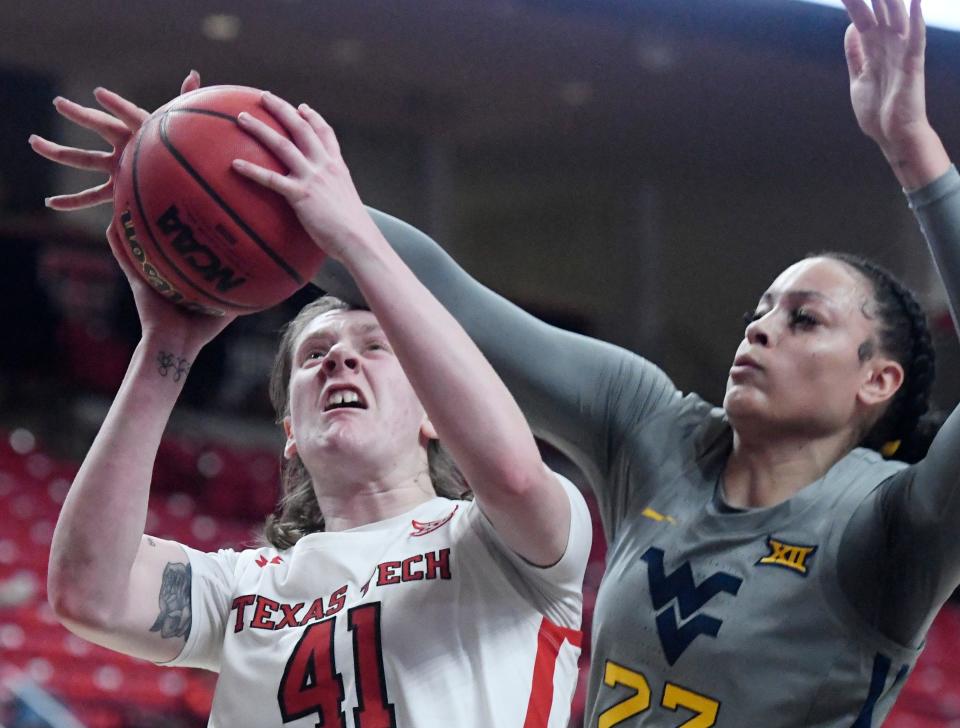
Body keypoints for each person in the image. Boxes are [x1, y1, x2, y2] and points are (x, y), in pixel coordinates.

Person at [32, 0, 960, 723]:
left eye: (803, 320)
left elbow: (502, 446)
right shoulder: (659, 434)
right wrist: (206, 163)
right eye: (759, 309)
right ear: (283, 432)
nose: (758, 329)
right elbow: (448, 291)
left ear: (878, 382)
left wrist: (918, 156)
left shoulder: (897, 524)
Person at [37, 87, 591, 727]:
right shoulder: (250, 586)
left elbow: (514, 475)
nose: (338, 360)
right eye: (314, 354)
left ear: (432, 413)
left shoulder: (498, 545)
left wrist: (351, 233)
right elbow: (89, 593)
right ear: (290, 432)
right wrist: (166, 347)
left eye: (373, 347)